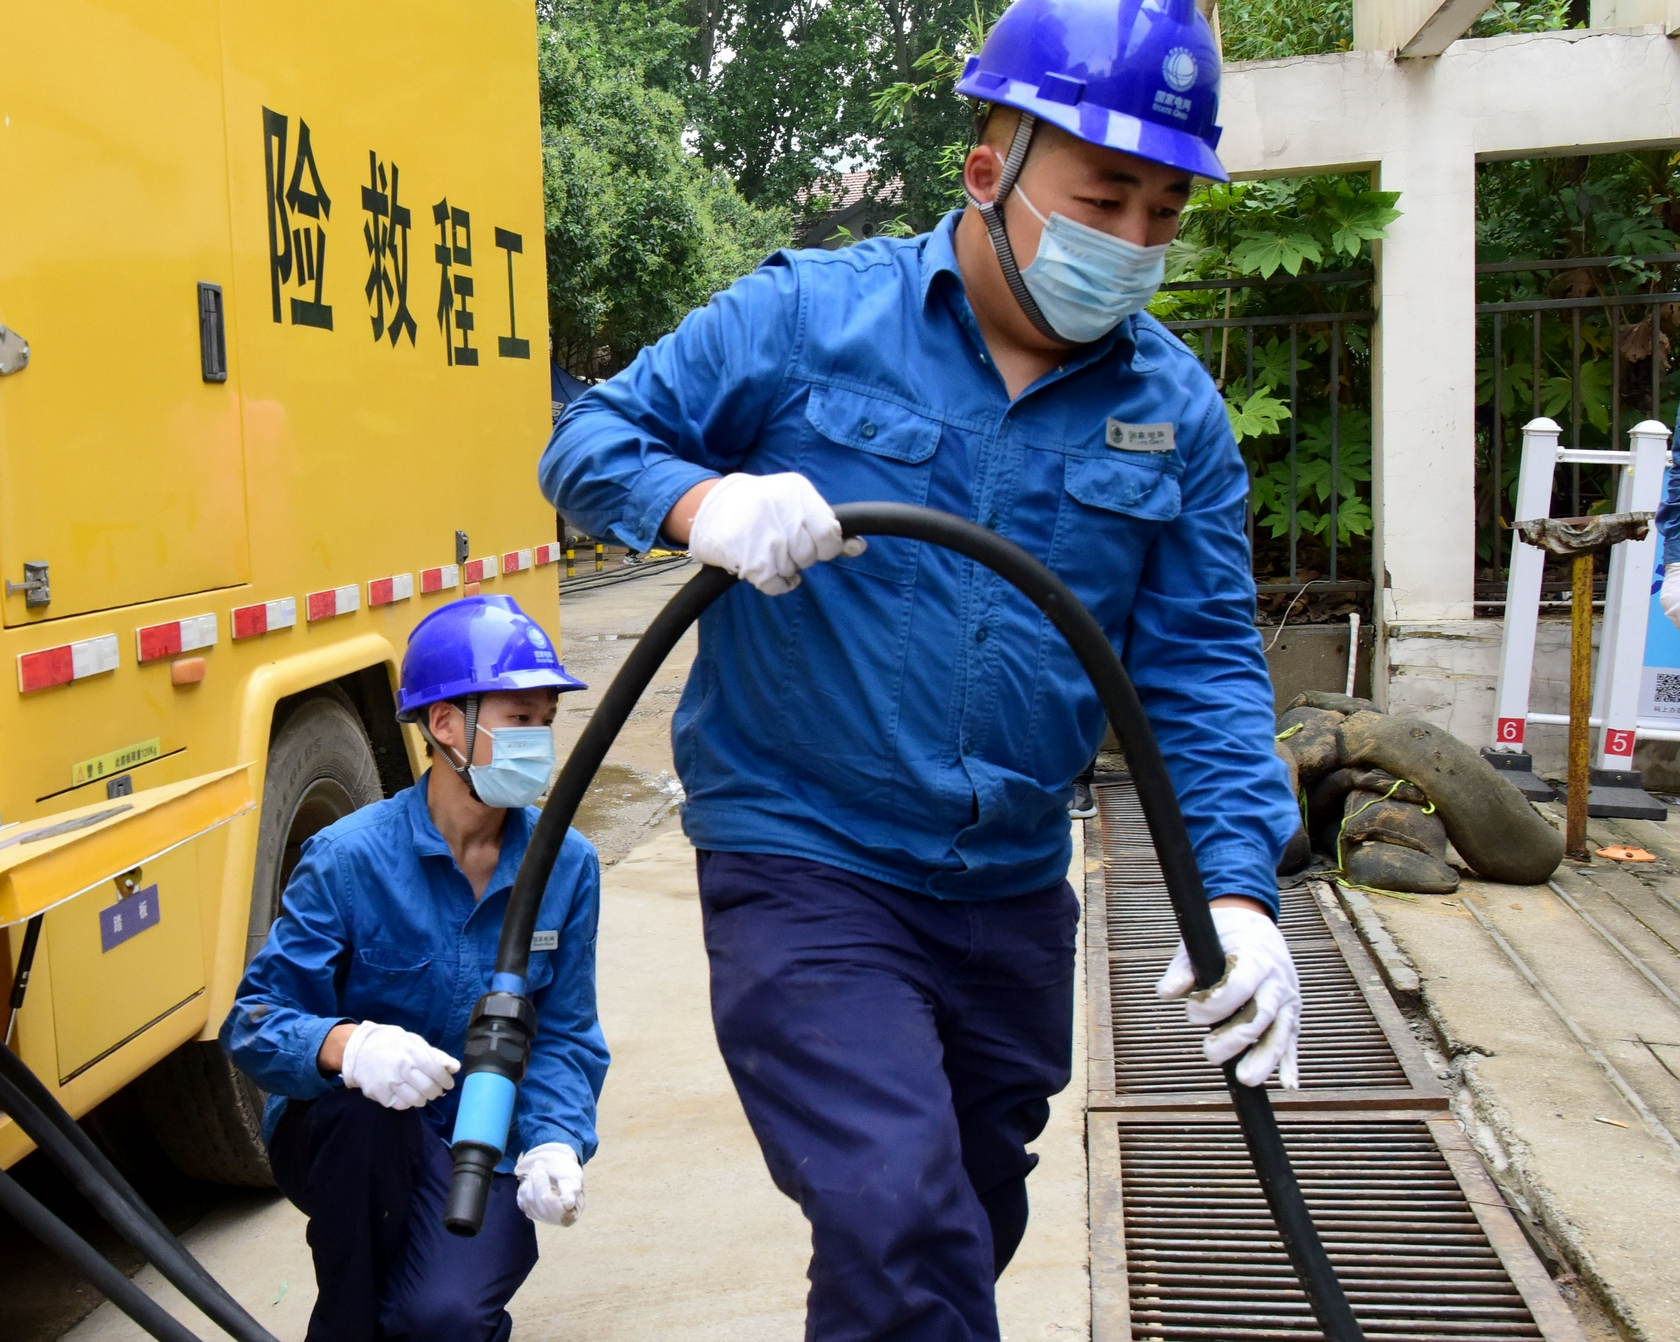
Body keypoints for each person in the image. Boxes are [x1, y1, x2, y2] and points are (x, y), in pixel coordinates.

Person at [539, 0, 1302, 1336]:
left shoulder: (1173, 412)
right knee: (900, 1210)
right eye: (1103, 198)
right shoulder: (806, 319)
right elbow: (586, 440)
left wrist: (1237, 892)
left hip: (1008, 887)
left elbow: (1201, 669)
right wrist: (703, 503)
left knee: (954, 1227)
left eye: (1165, 211)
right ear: (988, 168)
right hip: (806, 858)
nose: (1132, 242)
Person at [224, 595, 607, 1342]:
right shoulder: (348, 859)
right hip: (351, 1145)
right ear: (445, 725)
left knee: (444, 1317)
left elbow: (564, 1033)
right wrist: (348, 1047)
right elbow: (254, 1020)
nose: (538, 740)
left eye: (545, 720)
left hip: (483, 1141)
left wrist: (556, 1137)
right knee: (365, 1122)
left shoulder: (566, 866)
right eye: (518, 718)